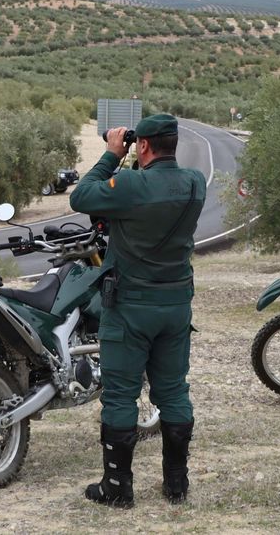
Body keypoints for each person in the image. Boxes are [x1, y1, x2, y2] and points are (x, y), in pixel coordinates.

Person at [69, 114, 207, 509]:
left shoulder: (129, 184)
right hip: (176, 305)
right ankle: (176, 484)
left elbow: (82, 197)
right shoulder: (195, 183)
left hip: (130, 307)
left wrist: (113, 153)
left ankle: (117, 487)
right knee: (173, 391)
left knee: (120, 397)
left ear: (142, 145)